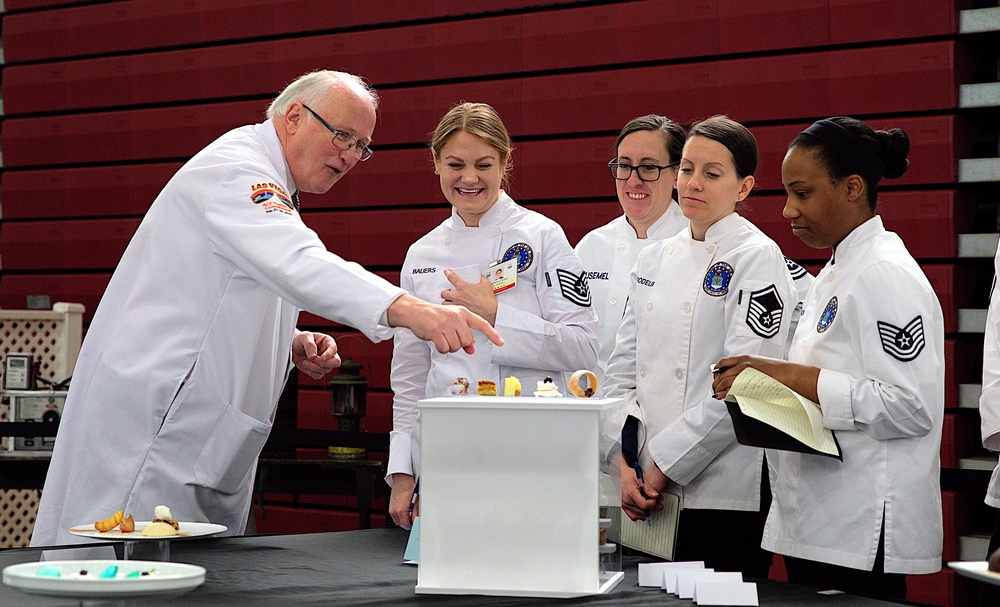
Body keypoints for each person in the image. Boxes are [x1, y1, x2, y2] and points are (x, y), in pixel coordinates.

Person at [30, 70, 503, 547]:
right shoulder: (236, 171)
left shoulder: (268, 182)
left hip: (203, 433)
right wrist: (409, 309)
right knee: (133, 572)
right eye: (342, 135)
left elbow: (225, 293)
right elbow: (296, 261)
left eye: (361, 146)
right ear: (294, 116)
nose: (349, 155)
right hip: (159, 428)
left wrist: (288, 341)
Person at [712, 117, 944, 600]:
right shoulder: (841, 267)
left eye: (802, 193)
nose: (787, 209)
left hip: (859, 528)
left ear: (853, 188)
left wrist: (787, 376)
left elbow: (910, 406)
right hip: (822, 520)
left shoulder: (882, 271)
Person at [387, 102, 599, 528]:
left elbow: (585, 348)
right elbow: (410, 375)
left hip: (533, 449)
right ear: (435, 164)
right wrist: (403, 471)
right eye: (454, 164)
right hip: (449, 454)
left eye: (483, 164)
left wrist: (496, 314)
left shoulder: (543, 236)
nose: (469, 178)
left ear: (505, 162)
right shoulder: (421, 253)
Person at [604, 115, 798, 577]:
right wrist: (620, 460)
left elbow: (744, 386)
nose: (693, 183)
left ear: (743, 187)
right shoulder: (654, 257)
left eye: (711, 174)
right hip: (642, 487)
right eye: (687, 169)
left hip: (721, 490)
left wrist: (664, 466)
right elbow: (622, 370)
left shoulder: (757, 257)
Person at [574, 115, 689, 392]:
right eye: (624, 166)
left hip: (665, 413)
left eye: (648, 167)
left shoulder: (698, 243)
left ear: (677, 174)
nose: (633, 181)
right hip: (593, 409)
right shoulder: (591, 247)